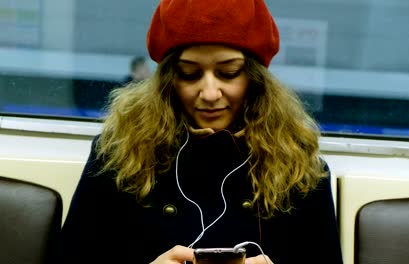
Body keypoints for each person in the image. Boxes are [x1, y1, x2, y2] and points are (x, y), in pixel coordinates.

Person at [56, 0, 343, 263]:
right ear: (169, 80)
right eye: (190, 74)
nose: (209, 93)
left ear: (255, 80)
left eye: (228, 73)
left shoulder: (299, 168)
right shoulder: (118, 154)